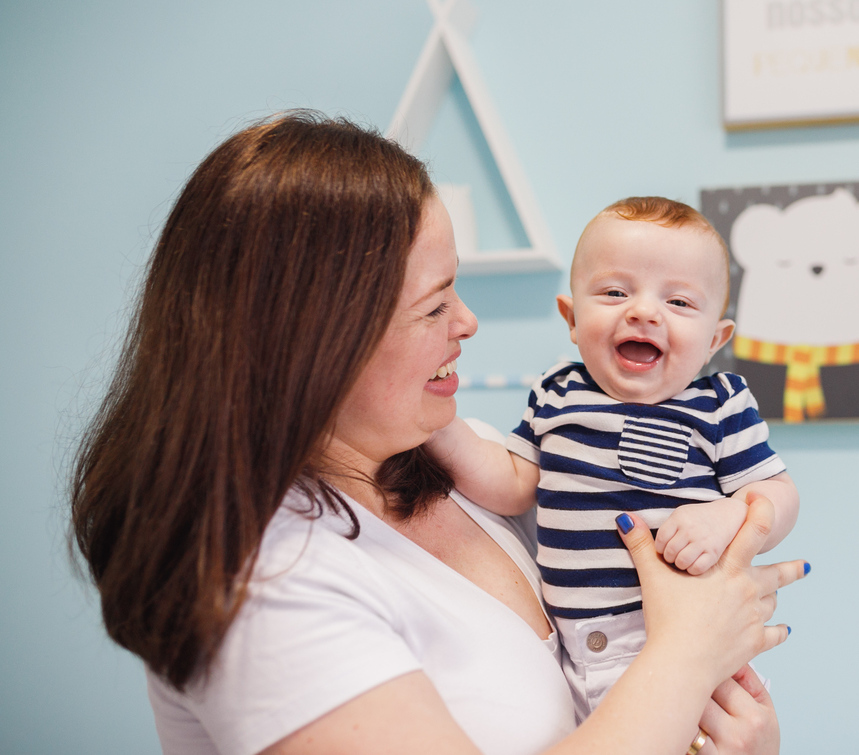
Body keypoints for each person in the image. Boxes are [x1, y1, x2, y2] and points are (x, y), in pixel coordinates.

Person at [69, 112, 809, 755]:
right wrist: (689, 651)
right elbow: (670, 666)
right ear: (314, 341)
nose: (468, 323)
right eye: (434, 305)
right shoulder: (260, 579)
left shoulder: (463, 463)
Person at [426, 198, 800, 719]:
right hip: (571, 657)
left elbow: (779, 493)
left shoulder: (719, 404)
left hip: (687, 649)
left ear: (715, 339)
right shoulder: (558, 392)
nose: (643, 311)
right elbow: (511, 483)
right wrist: (436, 425)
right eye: (615, 292)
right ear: (572, 318)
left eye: (679, 302)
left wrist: (726, 515)